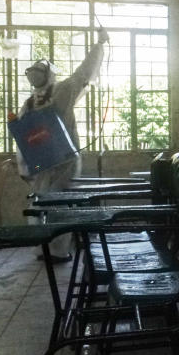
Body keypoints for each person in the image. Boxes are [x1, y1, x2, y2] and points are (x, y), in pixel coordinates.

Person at [18, 27, 108, 261]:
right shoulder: (29, 104)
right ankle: (44, 247)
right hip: (43, 163)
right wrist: (25, 166)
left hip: (63, 160)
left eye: (39, 72)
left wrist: (99, 46)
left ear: (47, 74)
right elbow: (22, 137)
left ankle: (57, 249)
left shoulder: (62, 92)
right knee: (41, 204)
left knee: (60, 204)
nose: (36, 76)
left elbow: (83, 73)